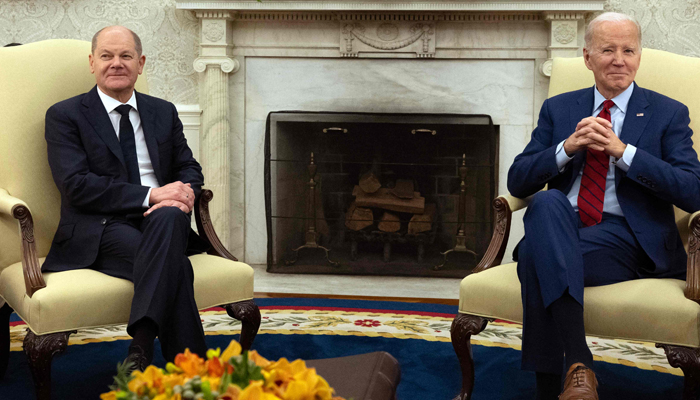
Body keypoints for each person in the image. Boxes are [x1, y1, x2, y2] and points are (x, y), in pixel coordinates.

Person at [508, 12, 700, 400]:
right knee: (547, 200)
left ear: (639, 57)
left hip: (629, 238)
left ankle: (553, 384)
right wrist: (567, 148)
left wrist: (623, 151)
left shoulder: (668, 112)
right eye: (607, 50)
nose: (619, 59)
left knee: (533, 255)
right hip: (565, 224)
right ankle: (579, 365)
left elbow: (692, 190)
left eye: (628, 50)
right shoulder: (560, 109)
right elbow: (518, 179)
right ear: (587, 57)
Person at [42, 26, 210, 372]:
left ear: (141, 63)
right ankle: (195, 372)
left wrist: (181, 195)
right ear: (92, 62)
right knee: (175, 266)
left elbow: (189, 168)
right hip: (100, 227)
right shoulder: (65, 115)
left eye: (125, 56)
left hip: (162, 219)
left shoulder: (163, 112)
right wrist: (151, 194)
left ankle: (141, 347)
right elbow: (76, 185)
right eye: (106, 56)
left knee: (168, 217)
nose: (115, 63)